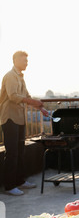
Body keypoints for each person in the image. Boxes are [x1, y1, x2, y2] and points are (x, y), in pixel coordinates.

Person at [0, 51, 44, 195]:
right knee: (12, 152)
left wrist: (41, 108)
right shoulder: (10, 76)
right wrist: (31, 101)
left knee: (20, 151)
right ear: (15, 60)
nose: (26, 63)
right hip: (9, 118)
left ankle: (19, 181)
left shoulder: (21, 77)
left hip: (19, 118)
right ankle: (9, 186)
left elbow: (27, 96)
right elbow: (13, 96)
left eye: (27, 60)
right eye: (24, 60)